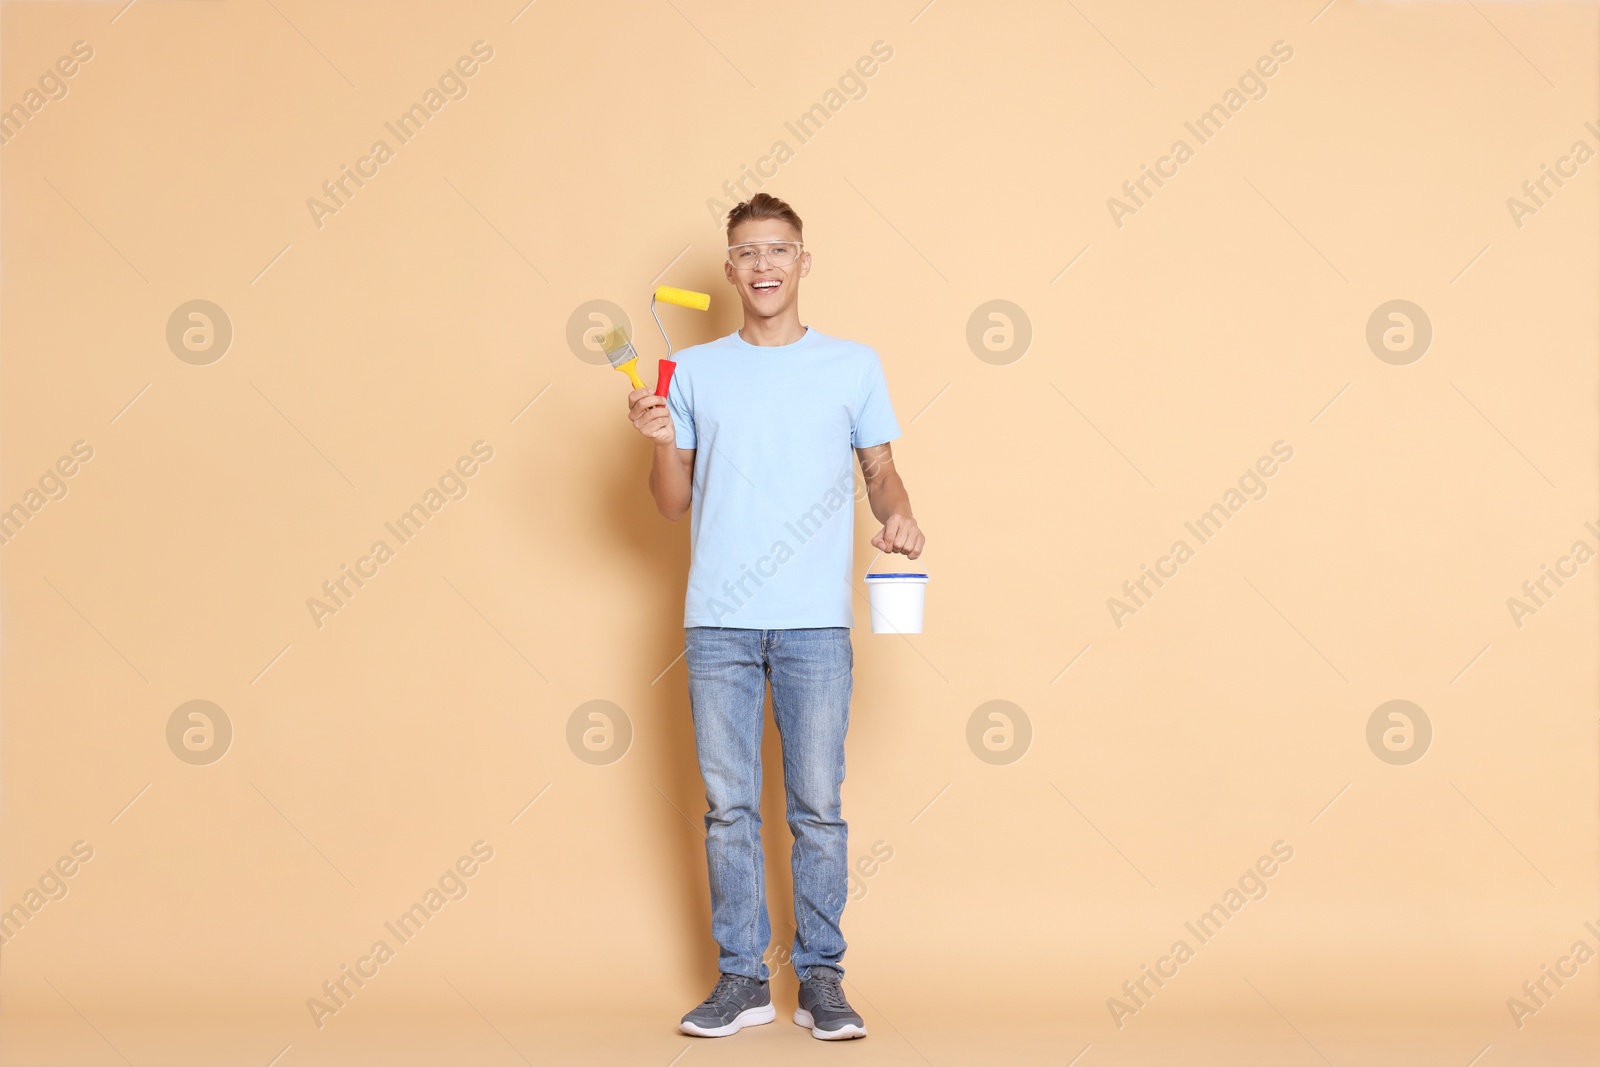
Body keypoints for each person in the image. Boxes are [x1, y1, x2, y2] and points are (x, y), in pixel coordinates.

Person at [626, 192, 923, 1040]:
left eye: (779, 251)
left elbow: (883, 470)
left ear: (803, 261)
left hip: (814, 625)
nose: (763, 266)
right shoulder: (695, 373)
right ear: (729, 269)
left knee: (816, 806)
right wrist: (656, 437)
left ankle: (822, 979)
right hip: (716, 620)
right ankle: (742, 980)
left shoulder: (852, 364)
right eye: (748, 253)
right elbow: (670, 505)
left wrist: (899, 512)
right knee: (728, 809)